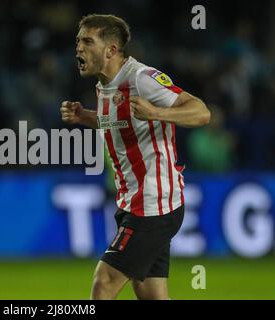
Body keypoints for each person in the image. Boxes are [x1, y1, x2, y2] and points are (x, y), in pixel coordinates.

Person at [60, 14, 210, 300]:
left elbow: (202, 112)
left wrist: (158, 113)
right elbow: (122, 122)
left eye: (87, 41)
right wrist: (86, 117)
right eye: (78, 41)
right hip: (135, 203)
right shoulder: (106, 84)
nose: (78, 48)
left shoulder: (141, 78)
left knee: (103, 283)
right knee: (151, 294)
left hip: (152, 206)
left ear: (111, 50)